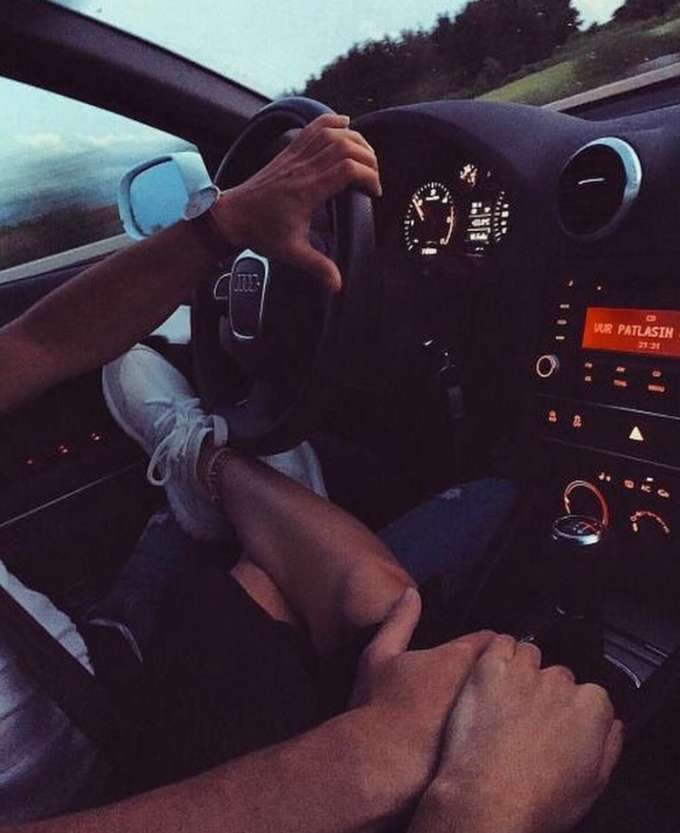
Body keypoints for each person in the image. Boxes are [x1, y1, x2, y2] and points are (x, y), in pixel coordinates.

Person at [0, 113, 623, 832]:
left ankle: (200, 459)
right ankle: (207, 465)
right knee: (463, 535)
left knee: (316, 584)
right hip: (105, 780)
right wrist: (432, 783)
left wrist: (222, 225)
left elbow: (38, 344)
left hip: (83, 674)